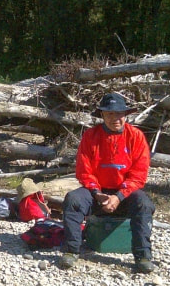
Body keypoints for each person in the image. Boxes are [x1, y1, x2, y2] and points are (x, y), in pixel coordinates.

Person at [59, 93, 157, 273]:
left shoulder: (136, 136)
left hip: (125, 195)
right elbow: (84, 171)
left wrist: (119, 196)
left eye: (119, 113)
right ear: (102, 115)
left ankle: (143, 255)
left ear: (126, 114)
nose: (115, 118)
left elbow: (138, 175)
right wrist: (97, 193)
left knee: (144, 203)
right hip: (96, 194)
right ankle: (71, 250)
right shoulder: (90, 136)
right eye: (110, 114)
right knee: (73, 199)